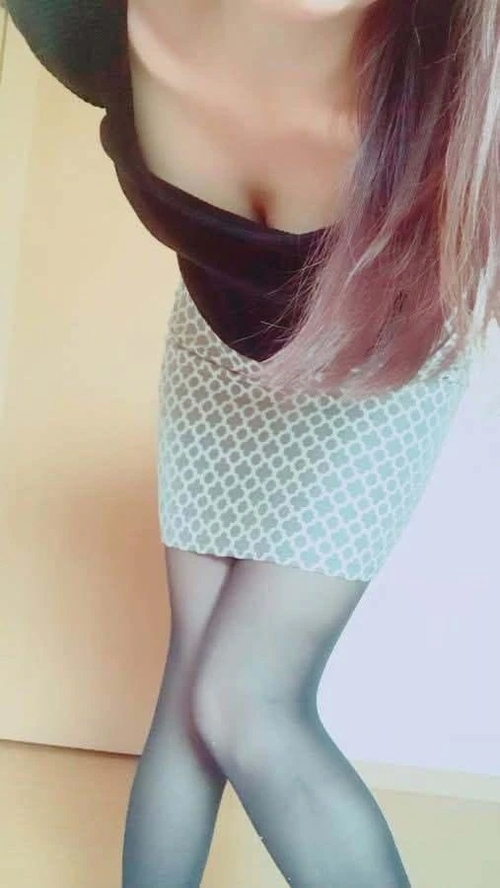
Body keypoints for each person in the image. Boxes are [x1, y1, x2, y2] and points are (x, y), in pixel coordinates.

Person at [7, 1, 498, 886]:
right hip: (214, 348)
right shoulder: (85, 20)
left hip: (378, 363)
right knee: (190, 689)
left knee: (245, 698)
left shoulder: (464, 58)